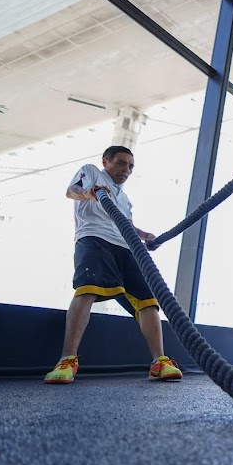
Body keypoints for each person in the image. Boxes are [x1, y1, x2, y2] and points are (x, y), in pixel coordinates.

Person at [44, 145, 182, 384]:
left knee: (149, 302)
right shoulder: (92, 173)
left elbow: (126, 223)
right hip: (94, 239)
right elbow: (71, 191)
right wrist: (91, 193)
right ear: (106, 161)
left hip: (126, 247)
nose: (126, 170)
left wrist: (144, 235)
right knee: (87, 291)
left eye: (130, 166)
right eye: (120, 163)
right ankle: (67, 360)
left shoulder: (124, 198)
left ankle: (159, 361)